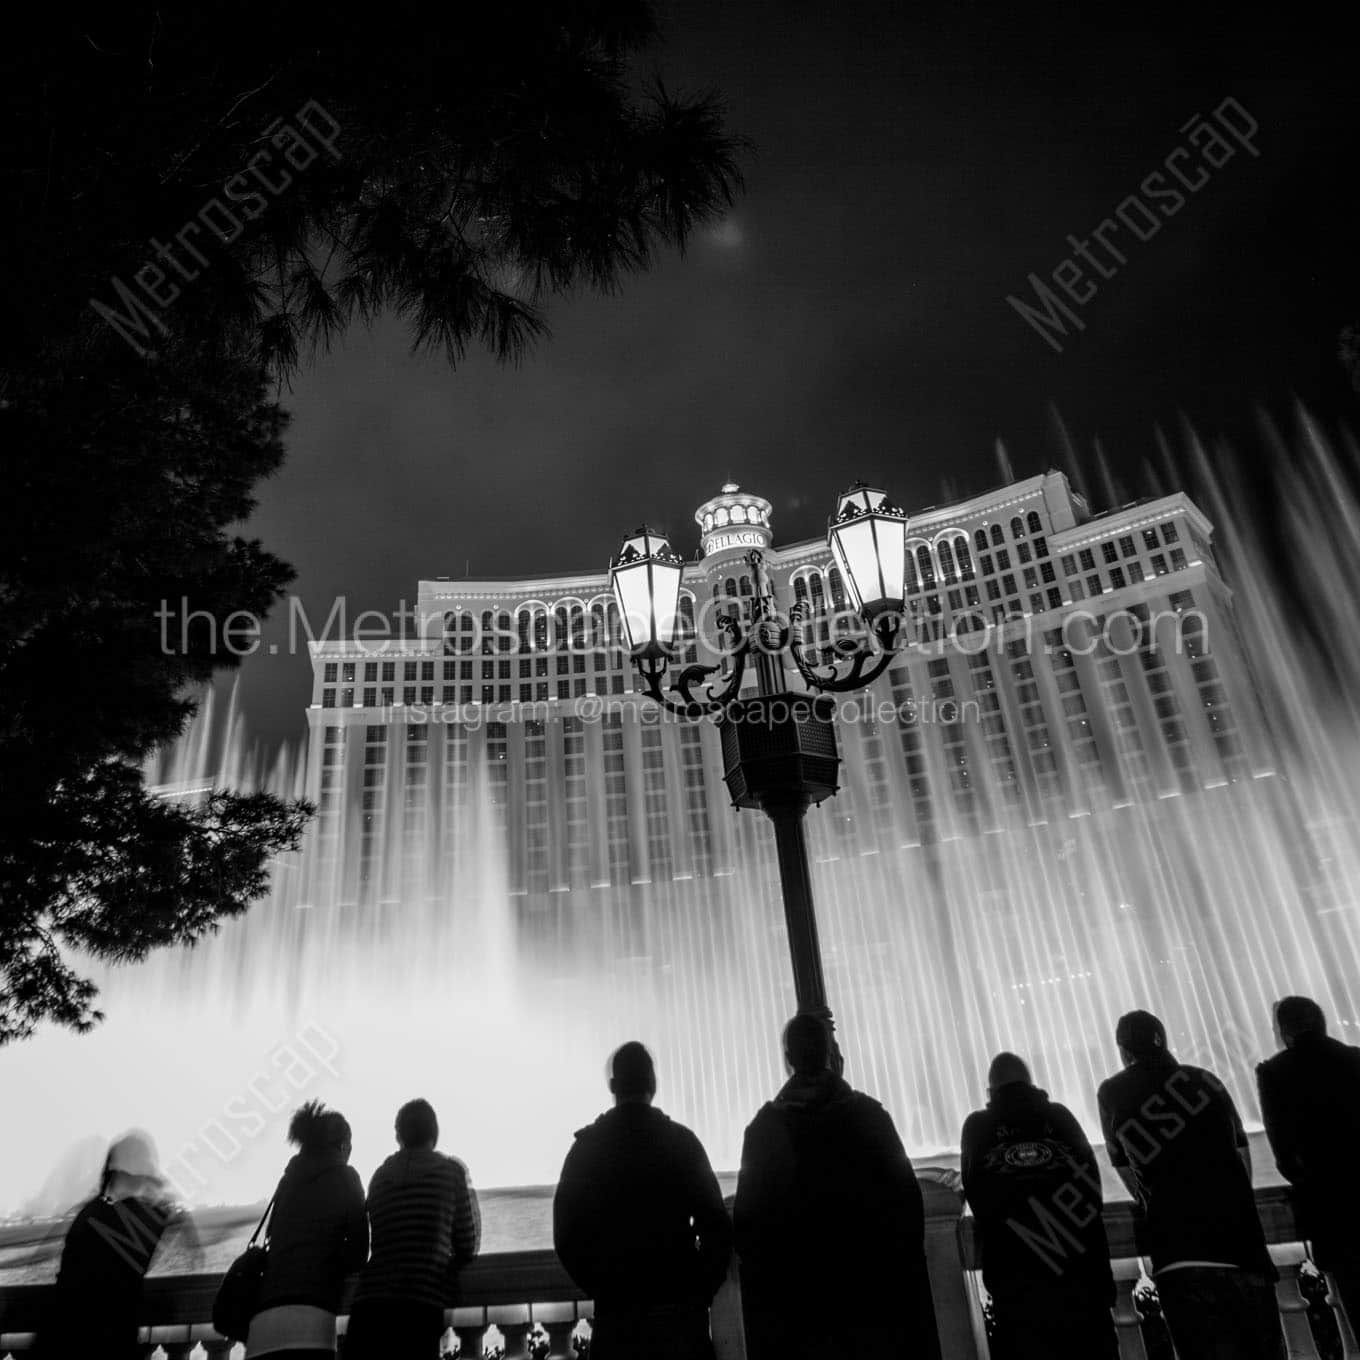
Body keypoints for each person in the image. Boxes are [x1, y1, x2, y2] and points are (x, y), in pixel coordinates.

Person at [733, 1013, 930, 1360]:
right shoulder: (871, 1118)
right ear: (831, 1055)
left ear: (788, 1059)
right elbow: (908, 1212)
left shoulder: (764, 1131)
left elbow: (749, 1232)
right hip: (873, 1305)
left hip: (800, 1315)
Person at [1097, 1010, 1283, 1360]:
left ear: (1123, 1051)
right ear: (1161, 1040)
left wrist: (1158, 1199)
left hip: (1177, 1256)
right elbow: (1241, 1155)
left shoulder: (1112, 1092)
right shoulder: (1205, 1080)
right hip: (1241, 1248)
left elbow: (1124, 1167)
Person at [553, 1041, 732, 1360]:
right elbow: (717, 1226)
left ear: (613, 1086)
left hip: (618, 1316)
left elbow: (567, 1237)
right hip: (679, 1314)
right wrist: (699, 1290)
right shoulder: (682, 1142)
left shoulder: (586, 1149)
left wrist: (603, 1286)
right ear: (652, 1083)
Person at [960, 1053, 1115, 1360]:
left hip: (1018, 1291)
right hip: (1082, 1283)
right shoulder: (1060, 1117)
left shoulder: (978, 1127)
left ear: (990, 1092)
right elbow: (1091, 1189)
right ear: (1031, 1083)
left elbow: (979, 1198)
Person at [38, 1131, 200, 1360]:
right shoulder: (141, 1217)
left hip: (64, 1340)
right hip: (109, 1343)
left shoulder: (90, 1215)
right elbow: (169, 1208)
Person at [344, 1098, 481, 1360]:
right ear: (434, 1131)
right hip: (419, 1304)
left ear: (399, 1135)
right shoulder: (450, 1173)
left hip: (369, 1305)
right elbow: (468, 1242)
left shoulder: (380, 1176)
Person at [1258, 995, 1360, 1333]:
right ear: (1322, 1021)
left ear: (1284, 1031)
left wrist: (1311, 1183)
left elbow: (1284, 1154)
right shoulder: (1356, 1058)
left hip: (1334, 1214)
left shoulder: (1274, 1072)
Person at [245, 1101, 368, 1360]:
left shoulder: (288, 1180)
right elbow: (358, 1254)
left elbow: (273, 1236)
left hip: (260, 1325)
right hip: (311, 1323)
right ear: (343, 1146)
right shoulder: (347, 1178)